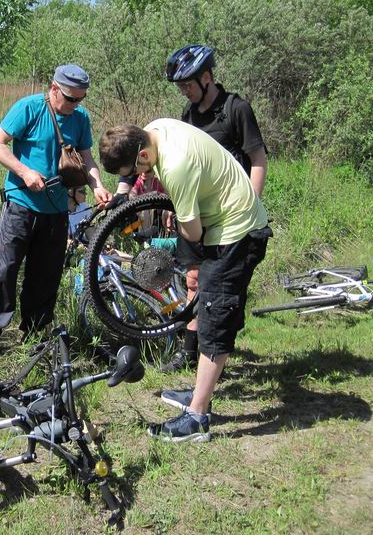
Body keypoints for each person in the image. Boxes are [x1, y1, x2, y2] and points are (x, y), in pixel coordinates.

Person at [99, 119, 272, 442]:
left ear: (142, 158)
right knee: (208, 308)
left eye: (135, 172)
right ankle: (199, 392)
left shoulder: (176, 166)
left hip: (237, 234)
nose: (138, 179)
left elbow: (193, 233)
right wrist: (124, 195)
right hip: (228, 221)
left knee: (214, 318)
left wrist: (177, 216)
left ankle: (197, 417)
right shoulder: (154, 130)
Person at [114, 44, 269, 372]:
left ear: (207, 77)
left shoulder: (235, 109)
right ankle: (192, 349)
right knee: (193, 281)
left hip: (229, 211)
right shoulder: (187, 116)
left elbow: (257, 160)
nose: (184, 91)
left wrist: (252, 202)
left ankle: (209, 347)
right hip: (195, 210)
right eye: (179, 86)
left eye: (187, 84)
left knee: (211, 283)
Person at [0, 64, 112, 368]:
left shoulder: (80, 118)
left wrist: (98, 185)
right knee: (5, 270)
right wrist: (25, 172)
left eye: (80, 99)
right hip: (20, 205)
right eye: (70, 98)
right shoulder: (28, 108)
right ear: (53, 88)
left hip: (56, 210)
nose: (75, 105)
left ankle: (34, 337)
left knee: (45, 276)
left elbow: (87, 158)